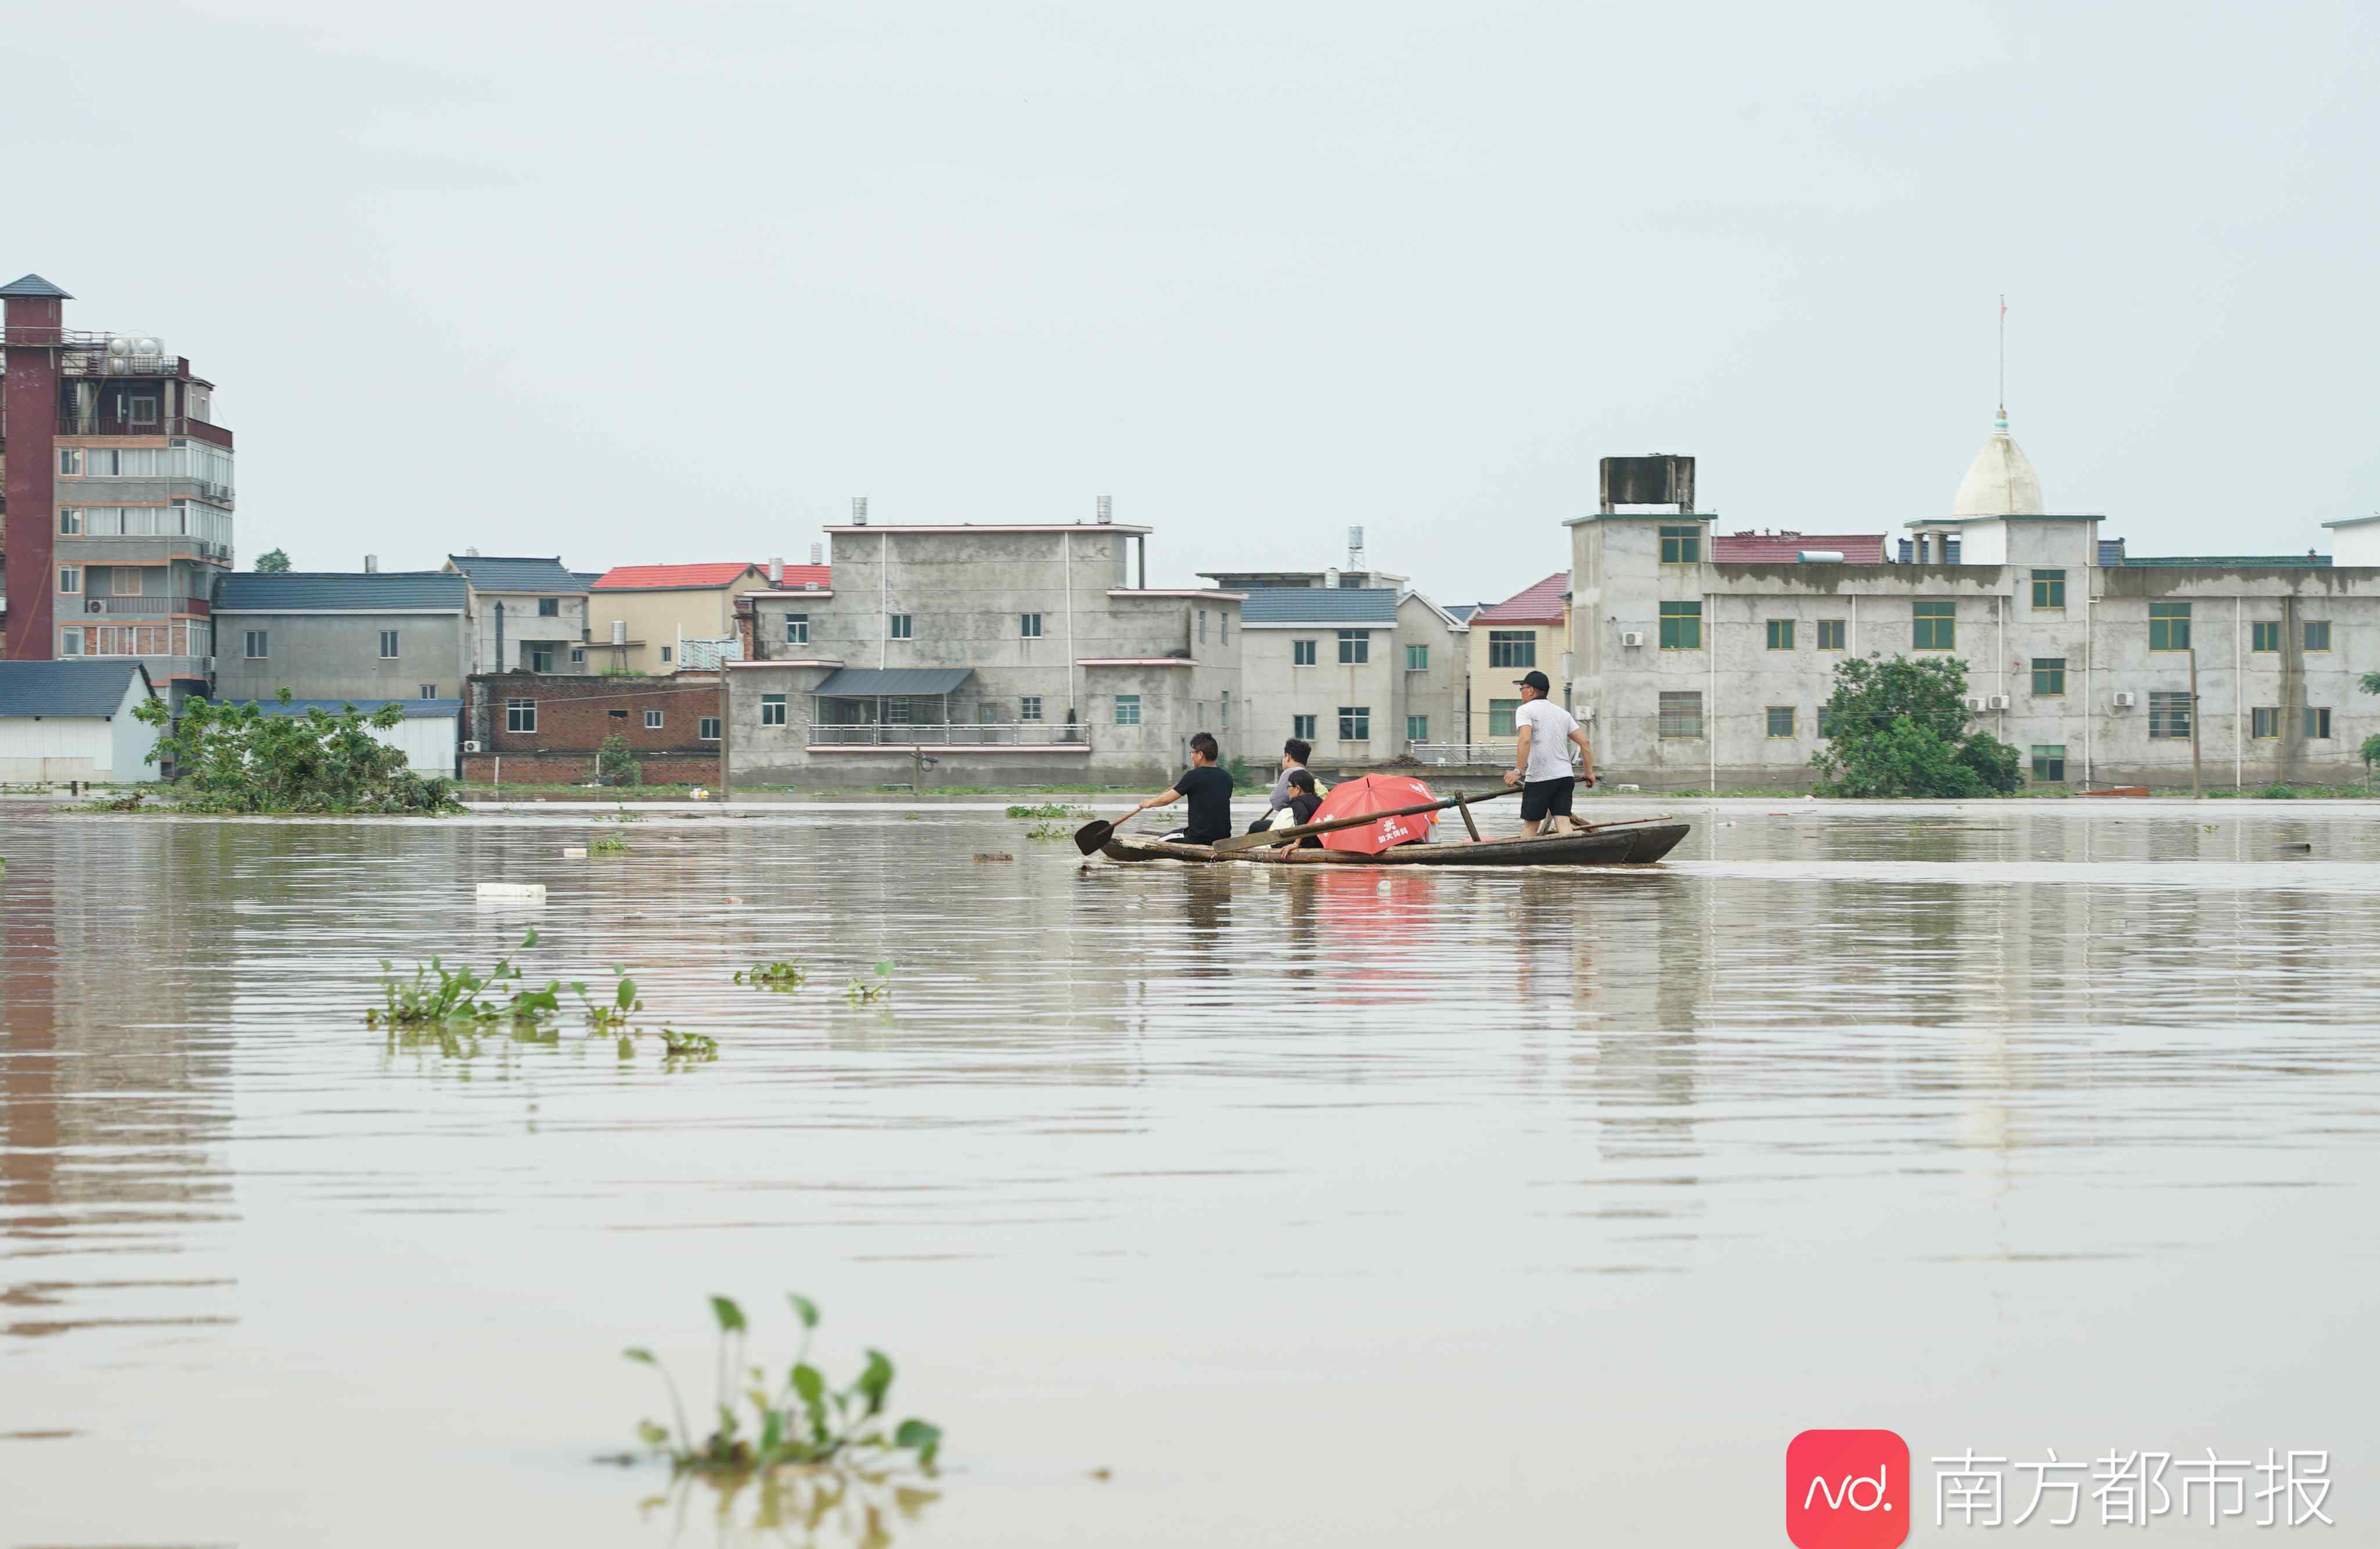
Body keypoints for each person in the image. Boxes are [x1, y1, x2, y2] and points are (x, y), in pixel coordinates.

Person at [1501, 670, 1595, 836]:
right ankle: (1568, 859)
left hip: (1540, 778)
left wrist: (1518, 771)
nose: (1521, 692)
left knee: (1531, 826)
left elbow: (1525, 740)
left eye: (1522, 688)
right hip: (1565, 777)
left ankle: (1525, 860)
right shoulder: (1562, 713)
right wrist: (1589, 773)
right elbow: (1585, 743)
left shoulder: (1525, 710)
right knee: (1564, 823)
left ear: (1530, 690)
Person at [1122, 731, 1235, 845]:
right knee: (1179, 833)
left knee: (1161, 840)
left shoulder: (1193, 776)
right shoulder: (1227, 777)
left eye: (1192, 753)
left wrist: (1149, 803)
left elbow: (1166, 800)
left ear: (1200, 755)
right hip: (1223, 839)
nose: (1191, 756)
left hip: (1199, 839)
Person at [1247, 737, 1316, 833]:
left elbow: (1277, 803)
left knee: (1256, 826)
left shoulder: (1290, 773)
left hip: (1293, 824)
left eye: (1284, 757)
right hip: (1305, 822)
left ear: (1288, 757)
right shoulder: (1309, 775)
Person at [1279, 768, 1324, 847]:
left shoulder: (1298, 802)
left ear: (1298, 789)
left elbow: (1303, 816)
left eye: (1289, 787)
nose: (1288, 790)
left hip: (1309, 844)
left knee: (1276, 845)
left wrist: (1296, 844)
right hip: (1320, 842)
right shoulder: (1319, 800)